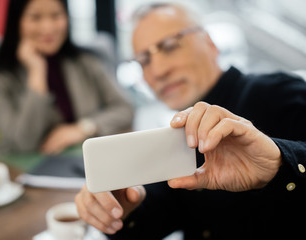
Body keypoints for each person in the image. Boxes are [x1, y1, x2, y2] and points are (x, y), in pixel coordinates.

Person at [75, 3, 306, 239]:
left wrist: (278, 163)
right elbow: (159, 211)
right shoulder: (175, 137)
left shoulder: (280, 93)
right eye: (143, 60)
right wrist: (121, 211)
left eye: (169, 46)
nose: (157, 71)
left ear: (210, 43)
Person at [0, 0, 133, 154]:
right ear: (17, 22)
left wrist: (83, 128)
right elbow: (23, 143)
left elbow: (125, 109)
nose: (48, 27)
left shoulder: (85, 61)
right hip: (25, 167)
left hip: (81, 159)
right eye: (36, 17)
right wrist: (36, 73)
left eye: (55, 15)